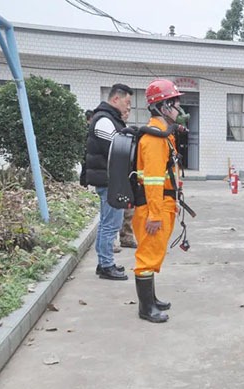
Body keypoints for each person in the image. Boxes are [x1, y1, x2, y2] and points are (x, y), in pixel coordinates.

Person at [132, 79, 185, 323]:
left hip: (162, 203)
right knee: (147, 257)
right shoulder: (153, 138)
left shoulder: (163, 134)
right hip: (153, 207)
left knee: (154, 254)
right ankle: (146, 309)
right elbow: (152, 180)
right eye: (175, 103)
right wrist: (154, 214)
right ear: (163, 107)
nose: (179, 109)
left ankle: (151, 299)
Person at [84, 83, 132, 280]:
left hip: (109, 178)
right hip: (108, 179)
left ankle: (103, 263)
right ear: (115, 99)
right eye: (127, 103)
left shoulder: (111, 119)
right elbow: (118, 148)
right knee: (112, 223)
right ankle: (106, 265)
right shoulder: (104, 120)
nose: (129, 107)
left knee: (108, 222)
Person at [118, 107, 138, 250]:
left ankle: (126, 237)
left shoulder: (126, 132)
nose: (127, 114)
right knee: (118, 211)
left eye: (128, 112)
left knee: (129, 211)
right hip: (121, 177)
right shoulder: (120, 133)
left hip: (129, 177)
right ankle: (121, 237)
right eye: (125, 111)